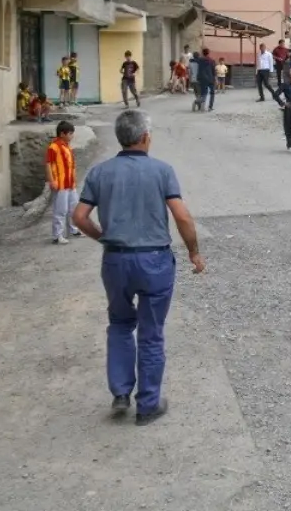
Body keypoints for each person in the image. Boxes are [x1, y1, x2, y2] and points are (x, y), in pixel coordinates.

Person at [70, 110, 206, 425]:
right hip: (154, 261)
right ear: (145, 137)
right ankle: (147, 405)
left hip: (116, 260)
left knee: (119, 323)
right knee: (151, 331)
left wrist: (104, 238)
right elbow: (182, 217)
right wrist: (194, 253)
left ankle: (120, 392)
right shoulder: (162, 171)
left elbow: (78, 217)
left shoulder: (100, 172)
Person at [47, 120, 82, 245]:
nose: (72, 136)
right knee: (60, 210)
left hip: (70, 183)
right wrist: (52, 181)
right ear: (62, 134)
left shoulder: (66, 146)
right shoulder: (53, 147)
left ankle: (74, 230)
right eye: (70, 134)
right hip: (60, 184)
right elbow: (48, 165)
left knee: (74, 208)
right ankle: (57, 235)